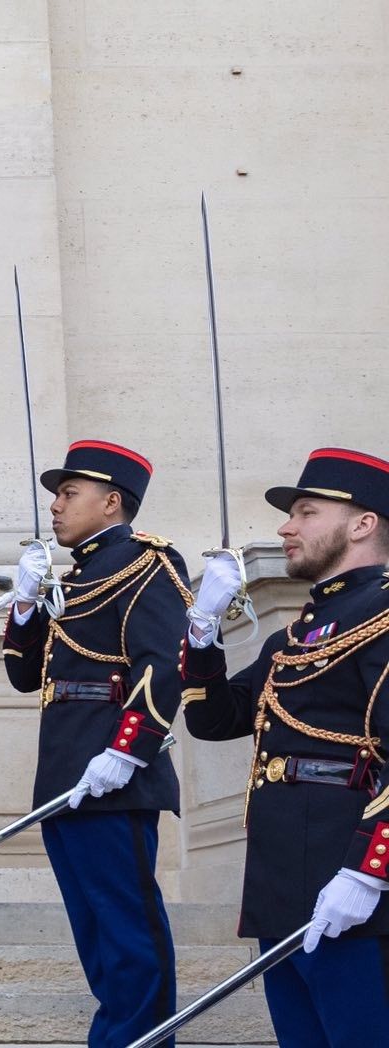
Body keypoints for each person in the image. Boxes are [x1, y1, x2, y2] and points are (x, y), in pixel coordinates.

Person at [181, 446, 389, 1047]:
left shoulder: (380, 614)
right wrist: (203, 628)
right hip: (282, 883)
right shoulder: (293, 637)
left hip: (352, 883)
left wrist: (369, 872)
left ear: (362, 523)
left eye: (306, 512)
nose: (285, 528)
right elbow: (214, 719)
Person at [2, 440, 190, 1047]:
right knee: (95, 931)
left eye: (68, 493)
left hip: (114, 772)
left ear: (112, 502)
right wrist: (26, 604)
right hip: (66, 772)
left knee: (126, 927)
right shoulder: (78, 574)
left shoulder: (147, 563)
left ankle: (140, 1039)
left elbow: (162, 665)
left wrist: (127, 750)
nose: (55, 506)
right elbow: (26, 675)